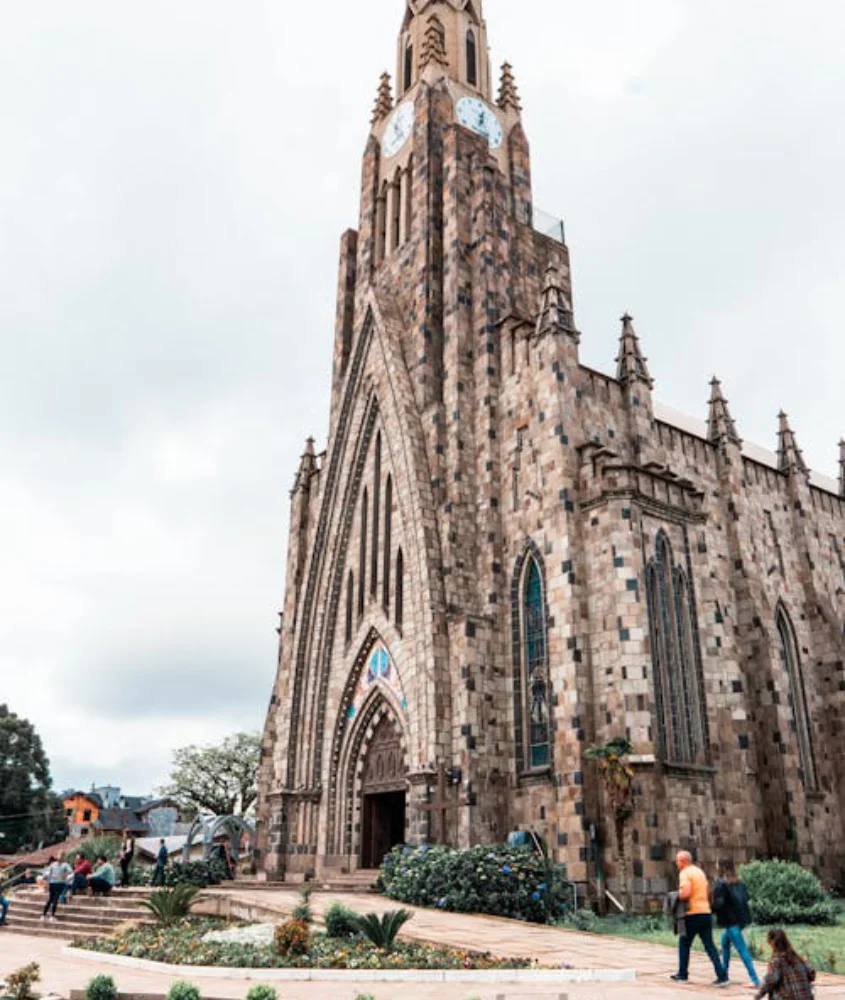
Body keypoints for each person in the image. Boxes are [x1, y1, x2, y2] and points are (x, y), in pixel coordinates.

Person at [670, 850, 729, 987]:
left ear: (683, 861)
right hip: (705, 912)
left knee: (684, 943)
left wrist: (675, 895)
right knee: (709, 946)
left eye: (678, 860)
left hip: (692, 913)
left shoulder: (685, 873)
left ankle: (682, 974)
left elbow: (686, 893)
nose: (676, 863)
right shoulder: (699, 872)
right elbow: (708, 892)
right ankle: (722, 976)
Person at [712, 858, 761, 988]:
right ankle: (724, 974)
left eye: (717, 865)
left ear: (721, 868)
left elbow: (719, 904)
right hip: (741, 919)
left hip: (730, 921)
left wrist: (712, 905)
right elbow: (745, 899)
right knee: (725, 943)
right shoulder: (740, 883)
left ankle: (755, 980)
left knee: (742, 949)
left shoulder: (721, 884)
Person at [755, 929, 816, 1000]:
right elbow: (812, 975)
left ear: (772, 942)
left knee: (774, 988)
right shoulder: (798, 958)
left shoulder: (776, 960)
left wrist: (757, 996)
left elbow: (770, 981)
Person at [41, 856, 72, 921]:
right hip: (59, 883)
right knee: (55, 899)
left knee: (50, 899)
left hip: (52, 883)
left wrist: (45, 879)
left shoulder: (53, 864)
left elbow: (47, 873)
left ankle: (43, 915)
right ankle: (52, 916)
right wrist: (66, 876)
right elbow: (71, 872)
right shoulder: (65, 864)